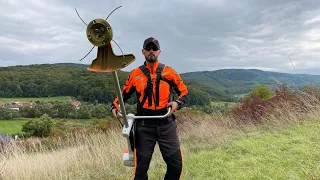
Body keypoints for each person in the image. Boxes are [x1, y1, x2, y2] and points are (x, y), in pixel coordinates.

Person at [110, 37, 189, 180]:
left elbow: (184, 93)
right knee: (140, 170)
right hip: (144, 124)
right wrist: (114, 106)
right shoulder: (135, 74)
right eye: (148, 48)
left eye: (154, 48)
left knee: (176, 166)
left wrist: (177, 103)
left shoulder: (169, 72)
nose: (151, 51)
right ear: (143, 52)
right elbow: (123, 94)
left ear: (159, 52)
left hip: (166, 123)